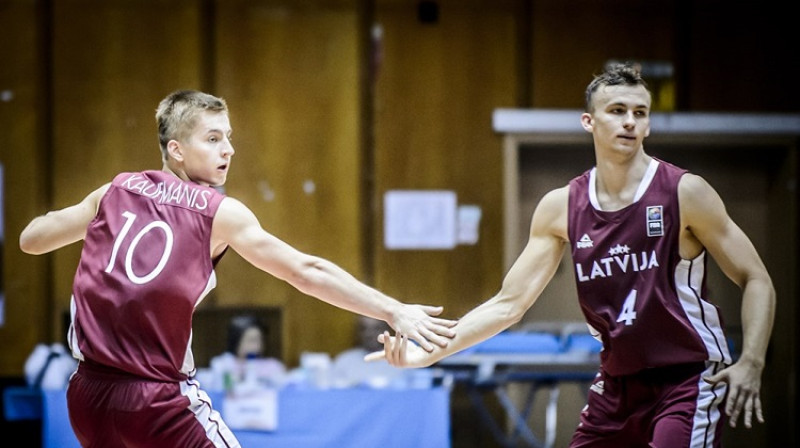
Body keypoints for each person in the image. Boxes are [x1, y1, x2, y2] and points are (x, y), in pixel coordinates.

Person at [18, 89, 457, 448]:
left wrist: (97, 218)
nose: (228, 149)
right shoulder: (218, 212)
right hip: (155, 400)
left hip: (87, 397)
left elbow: (31, 241)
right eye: (212, 139)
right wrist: (393, 310)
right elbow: (305, 271)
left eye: (228, 137)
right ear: (176, 150)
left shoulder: (113, 192)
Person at [368, 62, 776, 447]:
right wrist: (426, 355)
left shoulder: (684, 192)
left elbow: (756, 278)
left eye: (640, 112)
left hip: (686, 379)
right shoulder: (561, 206)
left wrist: (752, 360)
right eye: (617, 110)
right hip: (616, 385)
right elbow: (508, 305)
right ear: (589, 121)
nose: (630, 121)